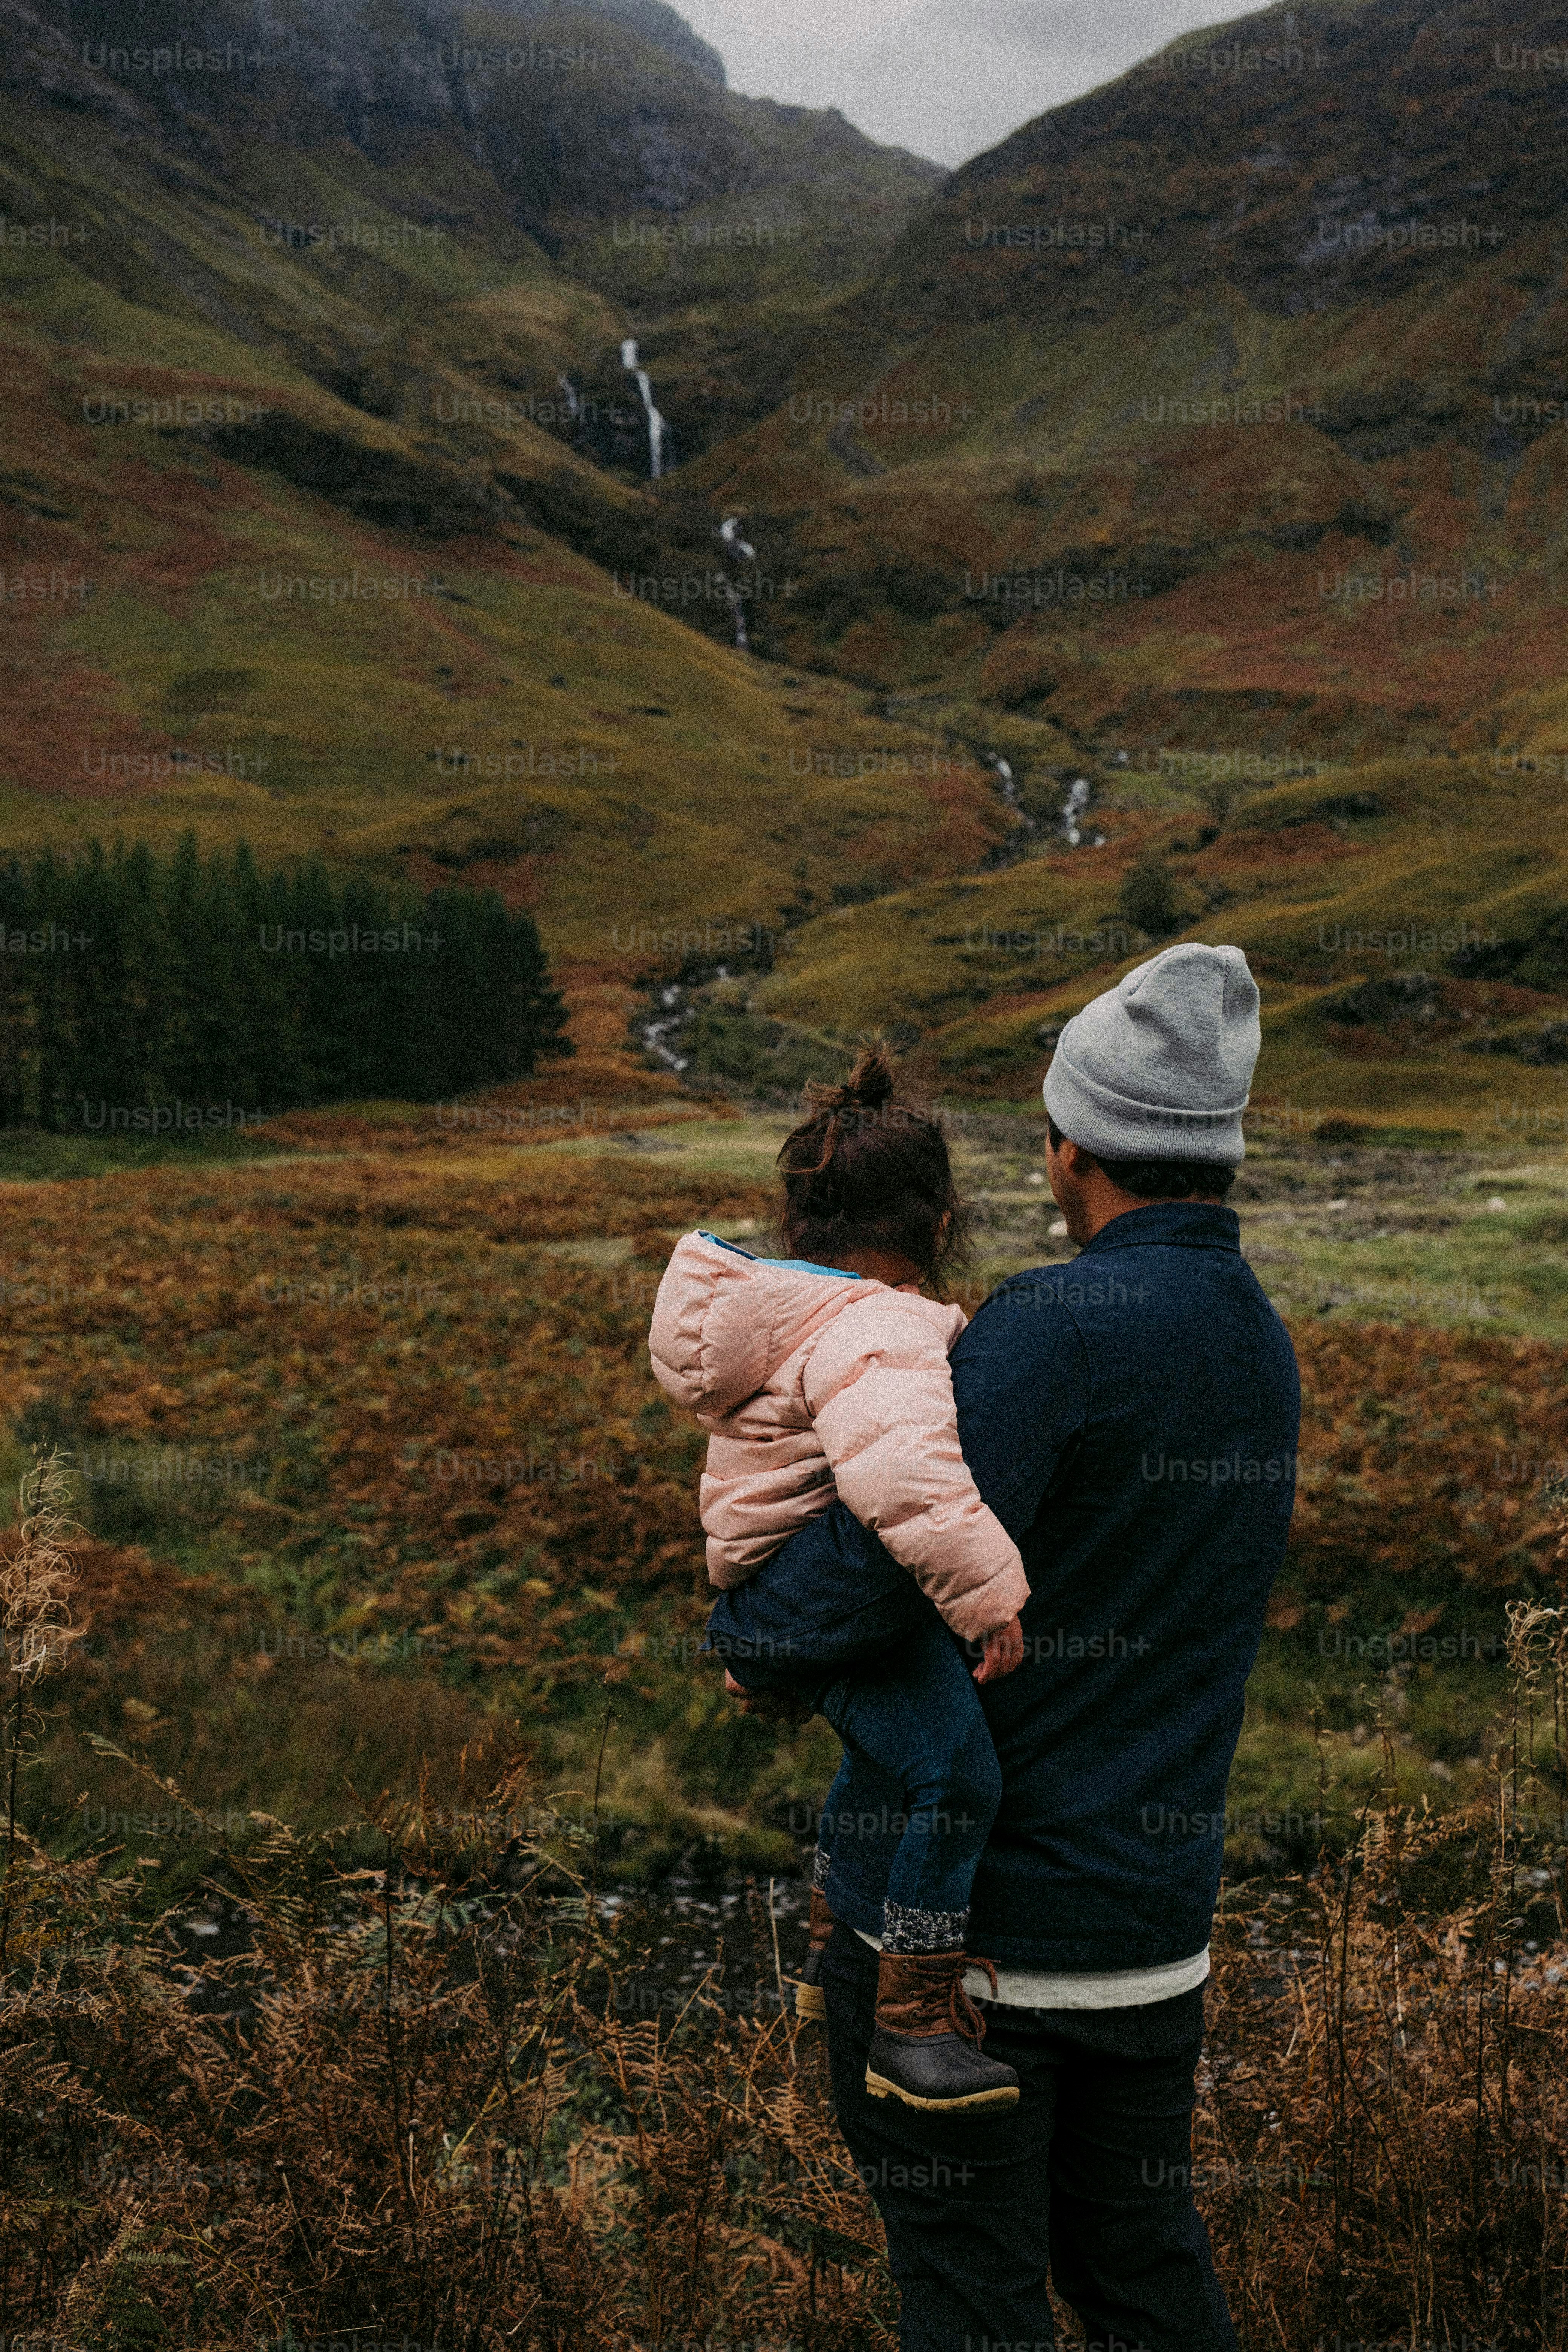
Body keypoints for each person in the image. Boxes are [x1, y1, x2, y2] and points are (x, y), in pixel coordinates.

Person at [707, 942, 1301, 2352]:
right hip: (1150, 1946)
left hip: (974, 1969)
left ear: (1069, 1145)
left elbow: (857, 1586)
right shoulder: (1258, 1338)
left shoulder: (1051, 1330)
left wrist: (743, 1632)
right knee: (1145, 2280)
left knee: (972, 2305)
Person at [649, 1042, 1031, 2115]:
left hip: (769, 1585)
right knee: (957, 1782)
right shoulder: (882, 1326)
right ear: (939, 1224)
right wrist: (987, 1597)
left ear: (799, 1220)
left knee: (883, 1763)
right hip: (821, 1592)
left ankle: (830, 1953)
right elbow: (906, 1481)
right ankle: (912, 2022)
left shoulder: (789, 1315)